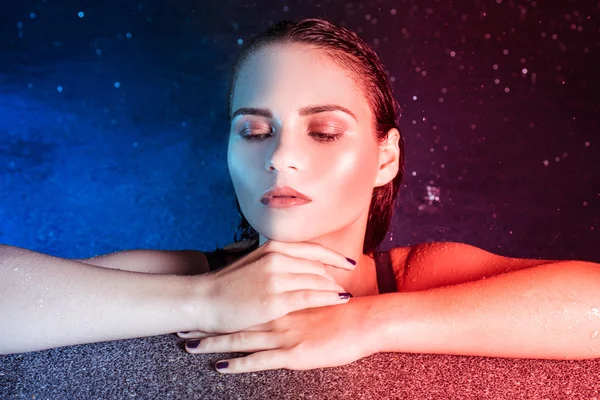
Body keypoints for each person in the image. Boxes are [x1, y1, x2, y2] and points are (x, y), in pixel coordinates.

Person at [2, 18, 598, 370]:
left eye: (324, 130)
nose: (280, 155)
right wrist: (206, 300)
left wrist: (372, 324)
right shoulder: (182, 275)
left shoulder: (419, 276)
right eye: (254, 130)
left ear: (384, 157)